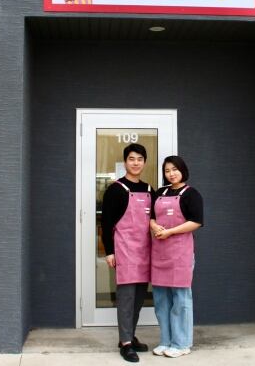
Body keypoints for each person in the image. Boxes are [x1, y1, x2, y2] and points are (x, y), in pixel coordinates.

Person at [101, 143, 156, 363]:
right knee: (126, 299)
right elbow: (106, 224)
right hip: (124, 250)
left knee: (139, 299)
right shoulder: (115, 189)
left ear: (144, 162)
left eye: (140, 159)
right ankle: (125, 344)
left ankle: (130, 336)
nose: (136, 163)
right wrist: (109, 251)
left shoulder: (150, 189)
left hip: (145, 251)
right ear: (125, 162)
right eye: (131, 159)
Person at [149, 155, 203, 358]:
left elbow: (196, 222)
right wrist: (154, 226)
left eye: (175, 169)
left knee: (181, 299)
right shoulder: (160, 193)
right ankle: (166, 340)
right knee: (161, 299)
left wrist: (170, 232)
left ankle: (181, 343)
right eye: (167, 170)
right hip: (160, 252)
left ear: (183, 170)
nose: (171, 174)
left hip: (181, 252)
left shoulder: (191, 194)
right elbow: (151, 218)